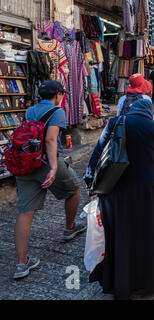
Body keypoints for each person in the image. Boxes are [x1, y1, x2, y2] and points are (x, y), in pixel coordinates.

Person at [84, 99, 154, 300]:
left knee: (119, 233)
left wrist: (92, 184)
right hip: (145, 190)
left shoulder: (115, 122)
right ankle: (147, 283)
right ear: (149, 112)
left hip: (115, 186)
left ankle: (120, 283)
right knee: (146, 234)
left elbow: (98, 153)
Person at [13, 80, 84, 279]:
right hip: (46, 162)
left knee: (25, 212)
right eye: (62, 94)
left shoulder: (29, 111)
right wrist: (53, 168)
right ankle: (70, 228)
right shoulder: (57, 112)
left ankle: (21, 263)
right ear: (58, 95)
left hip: (26, 163)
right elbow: (51, 139)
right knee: (74, 189)